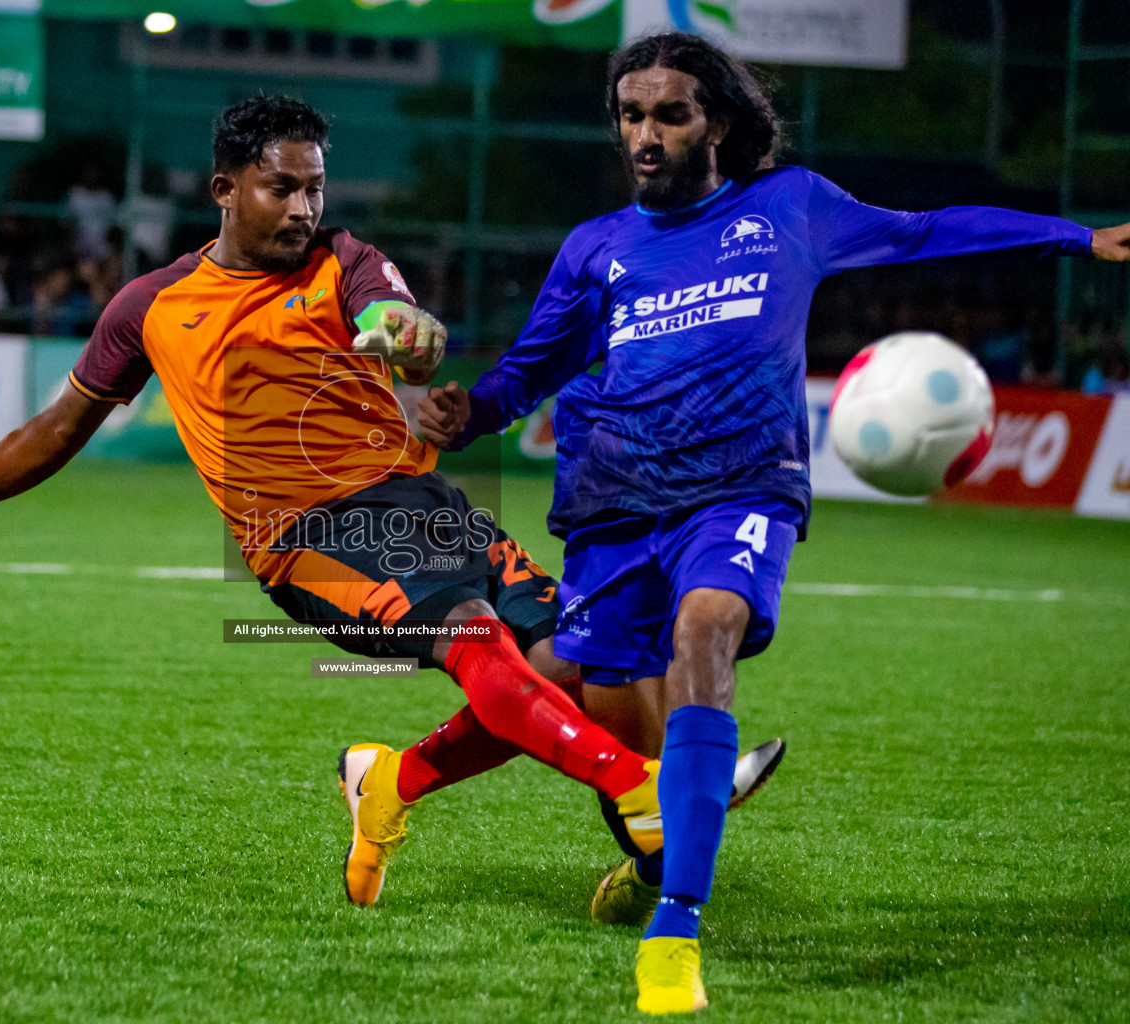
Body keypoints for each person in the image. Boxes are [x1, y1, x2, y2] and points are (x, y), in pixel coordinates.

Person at [0, 95, 781, 915]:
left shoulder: (347, 260)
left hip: (420, 503)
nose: (305, 208)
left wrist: (412, 337)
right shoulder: (151, 306)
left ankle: (395, 782)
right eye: (282, 189)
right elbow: (64, 423)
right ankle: (645, 792)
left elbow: (401, 326)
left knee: (571, 667)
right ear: (225, 189)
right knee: (477, 637)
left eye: (314, 188)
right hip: (304, 538)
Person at [416, 31, 1130, 1016]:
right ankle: (646, 857)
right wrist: (470, 413)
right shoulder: (597, 248)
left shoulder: (791, 208)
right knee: (629, 734)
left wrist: (1076, 237)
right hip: (613, 505)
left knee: (707, 631)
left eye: (670, 114)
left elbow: (926, 231)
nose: (646, 135)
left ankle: (676, 932)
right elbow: (527, 372)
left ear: (721, 121)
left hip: (743, 488)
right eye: (631, 116)